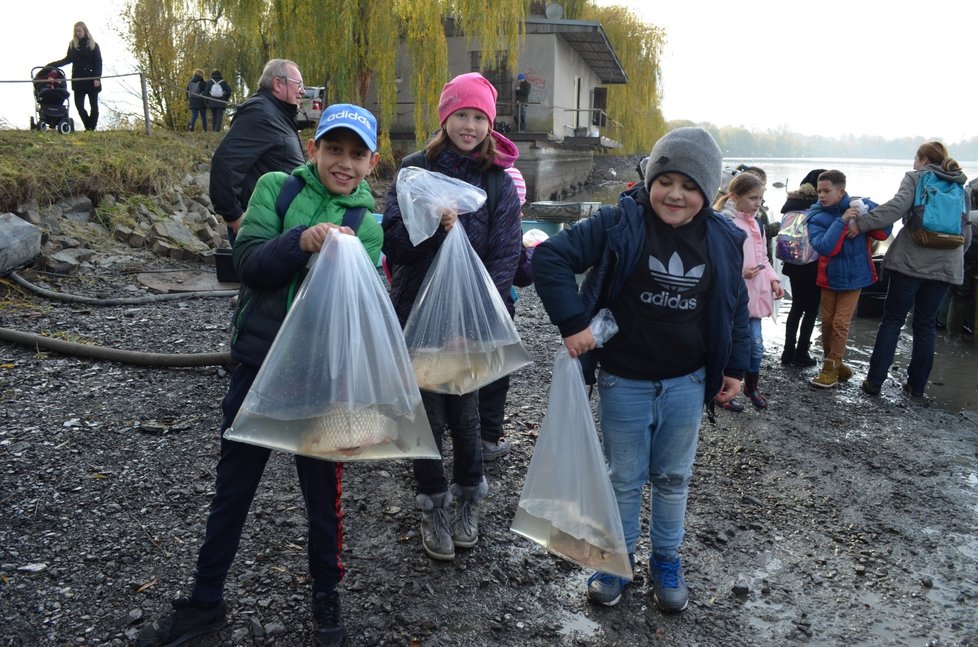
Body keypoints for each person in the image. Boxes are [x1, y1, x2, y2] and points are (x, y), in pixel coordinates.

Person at [136, 103, 383, 647]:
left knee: (324, 499)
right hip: (258, 365)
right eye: (334, 149)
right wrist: (301, 242)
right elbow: (249, 262)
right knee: (233, 490)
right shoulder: (278, 188)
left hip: (324, 385)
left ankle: (326, 604)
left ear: (371, 163)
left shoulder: (367, 227)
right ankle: (204, 604)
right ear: (313, 149)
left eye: (356, 154)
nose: (344, 162)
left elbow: (363, 312)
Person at [531, 127, 750, 612]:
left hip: (687, 383)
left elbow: (732, 303)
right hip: (623, 379)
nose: (676, 194)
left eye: (690, 185)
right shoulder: (618, 224)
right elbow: (549, 258)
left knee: (673, 477)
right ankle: (617, 559)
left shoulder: (723, 239)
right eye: (666, 180)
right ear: (649, 178)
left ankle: (666, 559)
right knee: (624, 477)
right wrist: (573, 325)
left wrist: (737, 364)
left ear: (709, 191)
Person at [382, 72, 522, 561]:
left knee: (465, 415)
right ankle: (433, 504)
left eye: (479, 116)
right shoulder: (416, 169)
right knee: (424, 415)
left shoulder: (496, 181)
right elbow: (395, 244)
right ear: (445, 117)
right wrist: (436, 228)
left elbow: (505, 255)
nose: (469, 125)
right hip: (417, 309)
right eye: (461, 114)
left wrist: (477, 319)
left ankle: (467, 499)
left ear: (490, 123)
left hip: (470, 320)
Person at [851, 142, 971, 398]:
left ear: (924, 159)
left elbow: (895, 209)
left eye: (915, 159)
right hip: (946, 265)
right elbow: (966, 231)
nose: (913, 164)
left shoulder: (916, 178)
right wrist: (953, 257)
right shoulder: (960, 185)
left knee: (893, 321)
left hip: (911, 262)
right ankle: (916, 387)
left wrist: (861, 224)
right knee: (925, 324)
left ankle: (874, 382)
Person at [806, 170, 890, 389]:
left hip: (855, 276)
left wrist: (866, 215)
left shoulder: (859, 207)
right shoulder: (815, 216)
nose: (821, 196)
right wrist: (842, 222)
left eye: (826, 191)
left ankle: (830, 369)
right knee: (827, 323)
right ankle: (834, 363)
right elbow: (826, 247)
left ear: (841, 190)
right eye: (819, 191)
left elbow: (883, 233)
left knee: (841, 323)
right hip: (830, 276)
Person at [209, 59, 306, 246]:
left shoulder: (277, 114)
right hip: (260, 227)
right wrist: (234, 217)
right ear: (277, 84)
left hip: (277, 225)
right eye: (298, 84)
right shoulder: (260, 112)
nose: (302, 91)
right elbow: (225, 161)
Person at [715, 172, 785, 410]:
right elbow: (716, 261)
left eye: (761, 198)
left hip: (756, 296)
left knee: (756, 346)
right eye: (753, 198)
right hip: (733, 298)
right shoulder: (725, 223)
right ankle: (725, 391)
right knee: (729, 345)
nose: (758, 203)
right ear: (734, 197)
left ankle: (751, 386)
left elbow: (764, 256)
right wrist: (740, 271)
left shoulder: (758, 223)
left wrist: (774, 280)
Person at [479, 161, 530, 461]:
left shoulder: (470, 226)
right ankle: (487, 438)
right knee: (496, 375)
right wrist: (534, 253)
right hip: (498, 315)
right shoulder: (511, 229)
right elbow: (522, 274)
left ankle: (459, 429)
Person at [779, 169, 827, 367]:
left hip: (792, 262)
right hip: (812, 264)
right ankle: (801, 354)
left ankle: (787, 352)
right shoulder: (819, 208)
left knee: (796, 307)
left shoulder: (791, 205)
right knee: (811, 309)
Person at [47, 21, 102, 131]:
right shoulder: (73, 45)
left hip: (91, 79)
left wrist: (97, 78)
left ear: (84, 31)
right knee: (79, 106)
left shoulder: (93, 45)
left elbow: (98, 63)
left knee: (94, 107)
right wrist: (52, 65)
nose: (77, 33)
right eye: (76, 31)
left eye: (79, 31)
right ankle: (89, 127)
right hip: (78, 79)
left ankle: (91, 128)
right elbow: (68, 59)